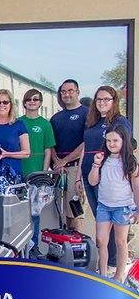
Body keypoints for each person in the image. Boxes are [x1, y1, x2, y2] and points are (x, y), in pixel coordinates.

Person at [75, 86, 132, 267]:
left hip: (107, 176)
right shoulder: (92, 122)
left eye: (106, 99)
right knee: (101, 220)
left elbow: (127, 149)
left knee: (112, 222)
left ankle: (114, 264)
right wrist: (78, 176)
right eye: (99, 99)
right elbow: (85, 149)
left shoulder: (120, 121)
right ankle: (104, 263)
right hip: (88, 173)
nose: (102, 102)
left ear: (114, 101)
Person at [88, 125, 139, 282]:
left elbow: (136, 186)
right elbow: (92, 181)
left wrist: (137, 209)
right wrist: (96, 164)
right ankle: (102, 275)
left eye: (116, 140)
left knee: (120, 242)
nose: (112, 144)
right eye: (109, 140)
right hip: (104, 205)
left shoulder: (130, 161)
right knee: (101, 241)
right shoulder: (103, 159)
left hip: (122, 206)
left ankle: (118, 277)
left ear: (123, 141)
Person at [19, 89, 56, 256]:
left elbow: (48, 150)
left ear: (40, 103)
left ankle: (33, 247)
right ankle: (20, 247)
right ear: (24, 102)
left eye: (35, 99)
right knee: (18, 213)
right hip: (19, 175)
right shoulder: (18, 122)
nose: (32, 102)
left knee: (35, 213)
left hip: (37, 176)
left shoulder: (45, 124)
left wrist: (44, 173)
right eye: (29, 99)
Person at [50, 79, 87, 231]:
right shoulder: (56, 118)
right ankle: (66, 247)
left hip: (76, 169)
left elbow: (86, 143)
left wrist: (65, 160)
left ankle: (78, 247)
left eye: (70, 90)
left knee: (75, 212)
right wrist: (56, 161)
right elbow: (50, 144)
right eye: (63, 92)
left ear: (77, 92)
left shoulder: (87, 113)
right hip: (59, 171)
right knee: (63, 211)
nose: (67, 94)